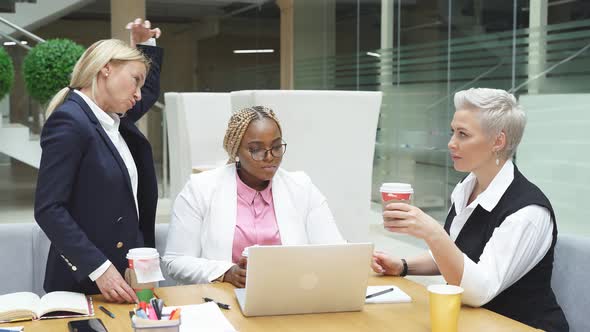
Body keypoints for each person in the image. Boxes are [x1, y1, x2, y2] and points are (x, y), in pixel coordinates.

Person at [372, 88, 568, 331]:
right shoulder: (468, 187)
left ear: (498, 141)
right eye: (452, 132)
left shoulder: (527, 213)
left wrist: (432, 233)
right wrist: (403, 266)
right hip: (474, 322)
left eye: (463, 134)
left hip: (523, 326)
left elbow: (479, 291)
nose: (451, 143)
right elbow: (457, 254)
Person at [34, 19, 163, 303]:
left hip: (126, 277)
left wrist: (144, 46)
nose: (139, 94)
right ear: (107, 68)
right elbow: (49, 209)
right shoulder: (70, 121)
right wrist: (98, 268)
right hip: (85, 285)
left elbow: (149, 91)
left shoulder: (113, 119)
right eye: (135, 80)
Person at [163, 106, 344, 288]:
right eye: (256, 150)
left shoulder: (301, 187)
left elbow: (334, 248)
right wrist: (226, 273)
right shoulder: (201, 188)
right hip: (222, 299)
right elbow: (175, 261)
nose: (269, 157)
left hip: (287, 294)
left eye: (276, 147)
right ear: (236, 152)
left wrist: (366, 258)